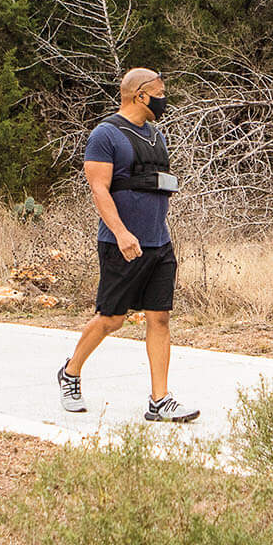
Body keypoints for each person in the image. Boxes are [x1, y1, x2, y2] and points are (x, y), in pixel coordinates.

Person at [56, 67, 199, 424]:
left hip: (159, 242)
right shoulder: (105, 135)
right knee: (111, 319)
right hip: (121, 243)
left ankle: (160, 400)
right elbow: (99, 189)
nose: (165, 99)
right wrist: (121, 232)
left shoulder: (156, 135)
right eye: (160, 92)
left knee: (160, 318)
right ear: (140, 95)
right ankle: (70, 373)